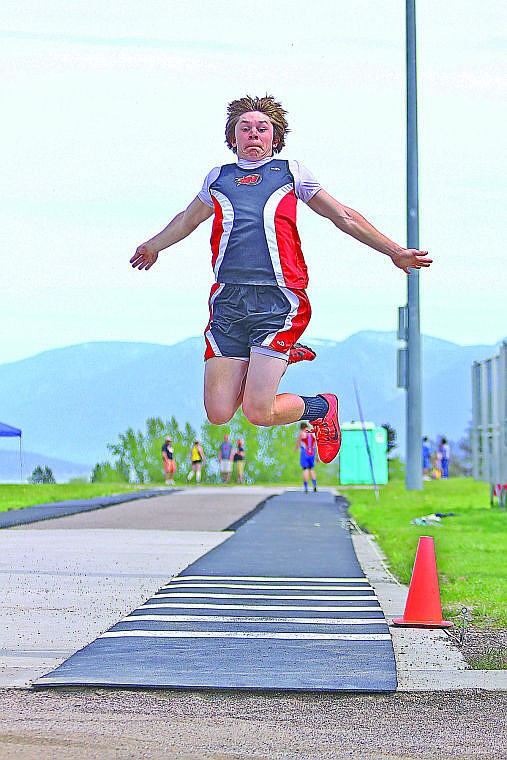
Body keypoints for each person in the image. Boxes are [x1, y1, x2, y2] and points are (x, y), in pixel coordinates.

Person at [131, 95, 432, 463]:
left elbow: (343, 216)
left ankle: (320, 408)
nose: (253, 134)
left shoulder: (291, 172)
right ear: (233, 136)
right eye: (245, 128)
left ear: (276, 137)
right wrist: (154, 244)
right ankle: (278, 355)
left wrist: (393, 251)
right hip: (228, 302)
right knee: (219, 412)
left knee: (258, 413)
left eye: (262, 128)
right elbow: (187, 219)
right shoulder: (218, 178)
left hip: (279, 300)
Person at [295, 422, 318, 492]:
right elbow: (316, 444)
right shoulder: (312, 433)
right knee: (311, 469)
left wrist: (295, 449)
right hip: (312, 453)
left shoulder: (301, 433)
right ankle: (315, 485)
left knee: (305, 470)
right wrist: (317, 456)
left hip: (305, 453)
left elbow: (298, 444)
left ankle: (306, 487)